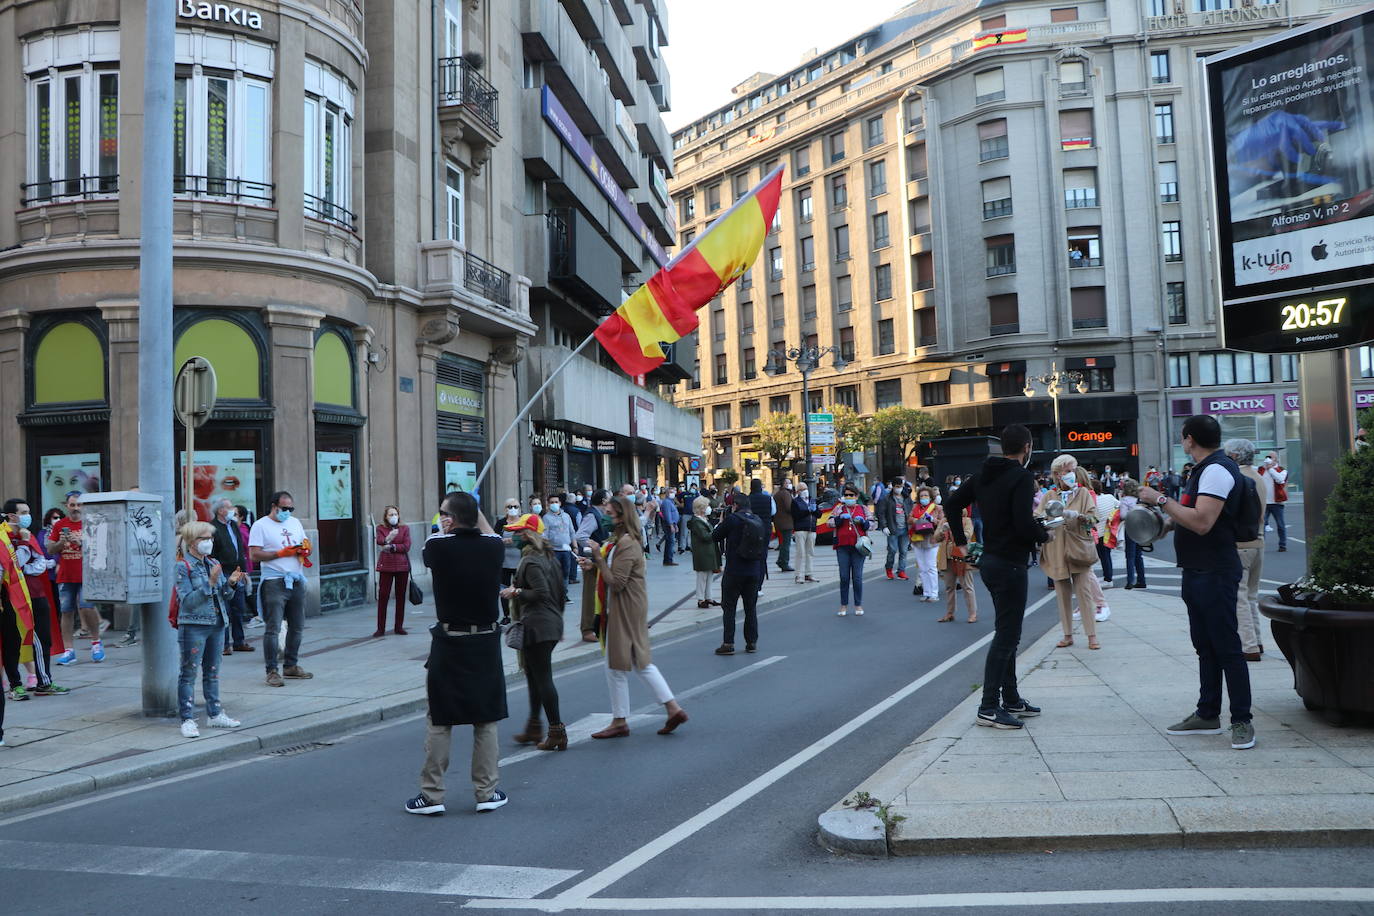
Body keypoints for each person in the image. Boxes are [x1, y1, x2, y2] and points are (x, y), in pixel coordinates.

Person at [1139, 415, 1255, 750]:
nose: (1182, 442)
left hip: (1215, 571)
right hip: (1199, 569)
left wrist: (1160, 500)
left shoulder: (1217, 470)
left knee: (1227, 648)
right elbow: (1193, 518)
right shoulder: (1204, 470)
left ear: (1190, 439)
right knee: (1205, 646)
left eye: (1183, 438)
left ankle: (1242, 720)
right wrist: (1166, 522)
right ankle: (1207, 713)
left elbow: (1203, 522)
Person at [406, 491, 510, 815]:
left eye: (443, 513)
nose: (440, 517)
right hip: (485, 643)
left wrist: (450, 521)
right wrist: (471, 510)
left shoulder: (438, 546)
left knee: (440, 719)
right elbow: (490, 532)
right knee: (486, 720)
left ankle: (432, 795)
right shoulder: (493, 547)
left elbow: (431, 542)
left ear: (450, 519)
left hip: (449, 642)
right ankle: (486, 792)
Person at [947, 424, 1051, 730]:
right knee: (1007, 635)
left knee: (1008, 631)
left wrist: (960, 542)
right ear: (1028, 448)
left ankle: (1011, 698)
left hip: (991, 562)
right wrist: (1042, 533)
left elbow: (952, 503)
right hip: (1010, 564)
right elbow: (1021, 523)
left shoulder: (982, 475)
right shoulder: (1022, 476)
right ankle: (989, 706)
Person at [577, 495, 688, 739]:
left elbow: (617, 582)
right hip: (626, 605)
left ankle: (620, 720)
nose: (604, 516)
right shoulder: (620, 541)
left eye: (609, 512)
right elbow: (614, 570)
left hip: (625, 606)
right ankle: (672, 708)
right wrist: (595, 564)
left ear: (621, 516)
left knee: (616, 665)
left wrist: (597, 557)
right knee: (638, 661)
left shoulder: (627, 542)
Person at [501, 513, 567, 752]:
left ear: (528, 535)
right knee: (534, 675)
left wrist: (515, 592)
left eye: (518, 532)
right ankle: (534, 725)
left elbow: (541, 592)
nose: (514, 536)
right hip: (549, 623)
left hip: (538, 625)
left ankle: (556, 731)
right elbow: (560, 593)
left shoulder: (530, 561)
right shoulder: (549, 557)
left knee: (543, 678)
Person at [172, 521, 243, 738]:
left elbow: (225, 596)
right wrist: (209, 584)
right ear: (192, 541)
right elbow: (187, 601)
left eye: (210, 538)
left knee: (212, 672)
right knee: (189, 673)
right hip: (194, 626)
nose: (209, 542)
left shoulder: (213, 562)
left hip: (217, 623)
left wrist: (230, 583)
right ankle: (187, 719)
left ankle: (214, 714)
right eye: (205, 538)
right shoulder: (183, 566)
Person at [247, 491, 313, 688]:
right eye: (284, 508)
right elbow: (254, 555)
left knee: (298, 626)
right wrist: (280, 553)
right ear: (274, 506)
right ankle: (272, 670)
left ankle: (291, 665)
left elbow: (305, 542)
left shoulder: (295, 523)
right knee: (273, 627)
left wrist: (305, 550)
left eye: (290, 508)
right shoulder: (260, 525)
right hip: (274, 580)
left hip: (296, 579)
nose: (288, 512)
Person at [2, 499, 67, 696]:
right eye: (23, 512)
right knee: (13, 641)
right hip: (13, 596)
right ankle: (16, 684)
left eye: (28, 512)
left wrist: (28, 559)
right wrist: (22, 545)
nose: (27, 516)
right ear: (12, 516)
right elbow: (14, 566)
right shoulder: (3, 537)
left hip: (36, 593)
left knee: (43, 638)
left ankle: (44, 681)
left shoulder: (28, 535)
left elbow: (40, 562)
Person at [1040, 462, 1101, 650]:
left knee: (1084, 594)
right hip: (1056, 550)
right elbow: (1038, 517)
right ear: (1057, 474)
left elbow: (1094, 518)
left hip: (1079, 550)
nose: (1071, 475)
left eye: (1072, 471)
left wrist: (1079, 516)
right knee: (1062, 595)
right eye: (1066, 471)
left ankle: (1092, 636)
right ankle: (1067, 635)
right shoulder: (1049, 495)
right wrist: (1047, 521)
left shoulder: (1083, 494)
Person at [49, 492, 104, 666]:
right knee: (66, 611)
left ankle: (96, 643)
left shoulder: (92, 523)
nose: (75, 509)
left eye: (78, 505)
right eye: (72, 505)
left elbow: (101, 549)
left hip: (87, 575)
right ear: (67, 506)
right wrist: (61, 542)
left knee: (87, 608)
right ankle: (69, 650)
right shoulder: (60, 525)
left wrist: (81, 542)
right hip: (66, 575)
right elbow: (50, 549)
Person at [1226, 439, 1268, 662]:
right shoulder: (1258, 477)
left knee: (1239, 596)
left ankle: (1248, 645)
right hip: (1258, 540)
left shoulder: (1237, 478)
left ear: (1233, 456)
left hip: (1241, 543)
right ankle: (1257, 641)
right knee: (1251, 595)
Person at [712, 496, 767, 655]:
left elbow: (715, 537)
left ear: (735, 505)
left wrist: (723, 520)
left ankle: (728, 643)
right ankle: (751, 642)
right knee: (751, 608)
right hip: (753, 570)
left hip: (734, 571)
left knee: (729, 608)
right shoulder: (758, 520)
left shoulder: (732, 520)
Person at [210, 498, 253, 654]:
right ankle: (224, 644)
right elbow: (212, 553)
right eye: (229, 508)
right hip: (223, 572)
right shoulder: (213, 528)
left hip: (237, 571)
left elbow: (240, 549)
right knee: (225, 609)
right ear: (220, 510)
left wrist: (243, 570)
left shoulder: (234, 525)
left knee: (238, 608)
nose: (232, 511)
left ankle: (239, 641)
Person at [832, 484, 870, 617]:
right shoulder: (839, 509)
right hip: (842, 546)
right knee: (844, 577)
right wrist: (839, 519)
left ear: (857, 496)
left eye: (851, 495)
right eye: (846, 495)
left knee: (857, 577)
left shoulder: (863, 508)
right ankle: (843, 605)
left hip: (858, 547)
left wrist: (863, 522)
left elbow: (873, 524)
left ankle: (858, 604)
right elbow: (829, 523)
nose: (848, 497)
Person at [374, 505, 412, 637]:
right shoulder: (381, 528)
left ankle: (399, 627)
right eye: (390, 515)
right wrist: (388, 538)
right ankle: (380, 628)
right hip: (386, 566)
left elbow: (406, 546)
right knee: (383, 596)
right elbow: (380, 541)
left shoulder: (404, 528)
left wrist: (392, 547)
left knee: (401, 596)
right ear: (386, 517)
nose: (393, 517)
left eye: (395, 514)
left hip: (402, 566)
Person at [935, 508, 978, 623]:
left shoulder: (966, 520)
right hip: (947, 557)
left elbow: (967, 535)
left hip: (962, 556)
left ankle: (972, 614)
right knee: (949, 587)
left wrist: (953, 528)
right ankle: (949, 613)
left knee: (967, 586)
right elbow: (935, 538)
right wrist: (941, 531)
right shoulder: (944, 520)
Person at [908, 486, 942, 602]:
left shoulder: (937, 508)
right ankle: (926, 592)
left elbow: (941, 523)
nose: (924, 498)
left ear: (931, 497)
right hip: (918, 540)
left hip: (931, 540)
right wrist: (916, 520)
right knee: (922, 568)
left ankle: (934, 593)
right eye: (921, 496)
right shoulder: (915, 508)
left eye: (926, 496)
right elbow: (909, 519)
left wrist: (932, 519)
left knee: (931, 567)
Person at [876, 477, 913, 582]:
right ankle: (889, 568)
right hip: (893, 528)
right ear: (893, 486)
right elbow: (881, 513)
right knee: (892, 550)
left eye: (901, 487)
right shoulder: (887, 498)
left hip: (905, 528)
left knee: (904, 551)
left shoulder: (906, 498)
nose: (899, 489)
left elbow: (911, 510)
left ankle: (901, 571)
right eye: (897, 487)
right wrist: (884, 526)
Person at [687, 496, 721, 609]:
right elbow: (705, 536)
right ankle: (700, 599)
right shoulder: (697, 521)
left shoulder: (703, 519)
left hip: (708, 552)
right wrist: (716, 530)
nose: (709, 508)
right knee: (702, 577)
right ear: (701, 508)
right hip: (702, 553)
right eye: (707, 506)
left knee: (709, 576)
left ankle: (708, 597)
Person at [542, 494, 577, 588]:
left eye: (556, 502)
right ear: (548, 504)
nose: (554, 504)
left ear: (560, 503)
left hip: (566, 550)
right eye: (552, 502)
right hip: (554, 550)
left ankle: (564, 594)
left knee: (566, 573)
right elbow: (544, 535)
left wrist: (575, 546)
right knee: (554, 573)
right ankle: (555, 593)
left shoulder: (566, 516)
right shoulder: (546, 518)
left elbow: (572, 532)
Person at [1119, 479, 1148, 590]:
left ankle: (1130, 581)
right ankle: (1142, 580)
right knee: (1138, 556)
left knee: (1130, 556)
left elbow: (1123, 515)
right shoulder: (1140, 500)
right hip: (1141, 529)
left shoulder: (1125, 500)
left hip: (1130, 528)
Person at [1258, 451, 1288, 552]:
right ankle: (1262, 545)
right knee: (1261, 525)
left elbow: (1280, 480)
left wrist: (1270, 468)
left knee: (1280, 525)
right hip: (1263, 503)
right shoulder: (1261, 470)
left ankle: (1282, 545)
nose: (1268, 459)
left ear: (1276, 459)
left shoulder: (1282, 470)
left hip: (1277, 503)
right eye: (1267, 457)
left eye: (1271, 457)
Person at [1093, 479, 1119, 589]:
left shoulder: (1092, 501)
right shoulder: (1109, 497)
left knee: (1104, 556)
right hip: (1109, 531)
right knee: (1106, 555)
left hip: (1098, 533)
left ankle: (1108, 579)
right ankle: (1107, 577)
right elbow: (1119, 506)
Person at [499, 497, 523, 618]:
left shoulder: (523, 522)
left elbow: (528, 537)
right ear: (505, 509)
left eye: (515, 507)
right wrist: (503, 541)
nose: (513, 509)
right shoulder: (501, 522)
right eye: (510, 507)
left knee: (520, 587)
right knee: (505, 589)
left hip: (520, 560)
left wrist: (515, 539)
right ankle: (506, 616)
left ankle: (519, 613)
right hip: (504, 561)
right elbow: (494, 538)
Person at [790, 483, 818, 585]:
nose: (804, 490)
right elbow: (796, 515)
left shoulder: (811, 500)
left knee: (810, 552)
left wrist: (815, 510)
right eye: (801, 489)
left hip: (811, 528)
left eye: (805, 488)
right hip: (800, 529)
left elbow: (818, 514)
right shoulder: (795, 502)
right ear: (797, 491)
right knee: (800, 553)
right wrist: (808, 510)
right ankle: (798, 575)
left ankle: (809, 574)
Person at [772, 479, 795, 573]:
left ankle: (781, 561)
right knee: (786, 543)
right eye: (787, 483)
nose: (789, 484)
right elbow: (789, 507)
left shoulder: (777, 494)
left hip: (779, 522)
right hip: (786, 522)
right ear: (783, 484)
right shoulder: (785, 494)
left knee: (783, 543)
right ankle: (784, 562)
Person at [658, 487, 680, 566]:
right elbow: (667, 515)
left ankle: (668, 559)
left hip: (673, 524)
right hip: (669, 525)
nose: (673, 493)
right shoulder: (666, 502)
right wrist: (671, 525)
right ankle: (668, 560)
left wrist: (675, 525)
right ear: (667, 493)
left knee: (670, 542)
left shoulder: (671, 502)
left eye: (673, 492)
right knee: (670, 542)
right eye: (671, 492)